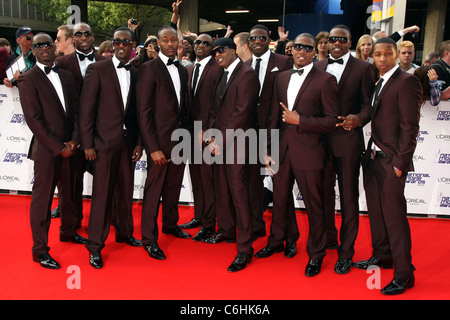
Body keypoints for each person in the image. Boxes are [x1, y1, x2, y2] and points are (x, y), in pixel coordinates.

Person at [264, 33, 339, 277]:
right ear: (291, 49)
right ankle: (279, 241)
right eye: (298, 47)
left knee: (315, 206)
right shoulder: (281, 78)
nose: (302, 51)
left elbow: (330, 121)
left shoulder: (326, 80)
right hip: (282, 150)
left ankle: (316, 254)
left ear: (315, 51)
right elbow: (274, 118)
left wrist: (301, 121)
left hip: (310, 152)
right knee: (280, 199)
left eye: (308, 48)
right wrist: (268, 149)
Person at [353, 37, 422, 295]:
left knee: (394, 219)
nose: (382, 59)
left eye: (387, 54)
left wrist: (400, 163)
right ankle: (382, 256)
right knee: (377, 214)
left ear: (396, 55)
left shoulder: (406, 82)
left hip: (391, 162)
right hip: (372, 159)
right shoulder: (379, 82)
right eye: (378, 54)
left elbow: (410, 128)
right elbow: (372, 113)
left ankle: (405, 274)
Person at [17, 33, 87, 269]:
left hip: (71, 146)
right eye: (38, 45)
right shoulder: (27, 79)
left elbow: (76, 112)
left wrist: (74, 142)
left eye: (48, 44)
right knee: (43, 200)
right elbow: (34, 121)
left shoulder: (66, 76)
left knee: (69, 194)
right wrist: (59, 148)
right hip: (47, 152)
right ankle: (39, 250)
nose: (44, 48)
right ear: (33, 50)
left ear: (54, 47)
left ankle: (68, 232)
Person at [79, 27, 143, 269]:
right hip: (103, 144)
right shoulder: (97, 69)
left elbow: (137, 113)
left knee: (125, 192)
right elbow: (86, 111)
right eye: (117, 41)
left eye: (126, 42)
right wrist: (87, 144)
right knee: (102, 195)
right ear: (112, 44)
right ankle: (95, 245)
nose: (121, 45)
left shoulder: (136, 73)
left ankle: (125, 233)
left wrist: (138, 143)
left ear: (132, 45)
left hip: (127, 144)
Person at [315, 24, 376, 274]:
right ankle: (328, 238)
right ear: (327, 42)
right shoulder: (317, 67)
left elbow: (369, 105)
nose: (337, 43)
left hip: (348, 141)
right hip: (319, 141)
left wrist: (358, 119)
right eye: (333, 39)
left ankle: (346, 251)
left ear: (350, 42)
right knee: (323, 194)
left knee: (348, 197)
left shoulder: (363, 68)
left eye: (342, 40)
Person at [203, 37, 259, 272]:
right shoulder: (223, 75)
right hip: (221, 142)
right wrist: (212, 135)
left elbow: (241, 113)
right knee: (223, 190)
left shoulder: (246, 74)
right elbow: (216, 109)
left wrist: (220, 141)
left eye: (222, 50)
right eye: (214, 52)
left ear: (234, 51)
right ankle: (226, 231)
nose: (217, 55)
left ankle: (245, 249)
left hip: (238, 144)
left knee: (239, 194)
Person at [136, 25, 191, 261]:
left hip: (180, 141)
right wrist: (153, 148)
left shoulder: (182, 70)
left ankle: (170, 224)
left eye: (173, 40)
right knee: (153, 191)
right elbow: (143, 112)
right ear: (157, 43)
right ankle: (149, 238)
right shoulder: (148, 69)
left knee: (172, 187)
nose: (170, 44)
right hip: (158, 143)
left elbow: (185, 107)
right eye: (165, 40)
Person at [244, 24, 297, 259]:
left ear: (269, 40)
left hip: (276, 133)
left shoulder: (284, 62)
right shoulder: (244, 65)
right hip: (247, 135)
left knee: (281, 188)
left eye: (262, 38)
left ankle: (289, 238)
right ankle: (258, 228)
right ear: (249, 41)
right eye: (253, 38)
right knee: (252, 186)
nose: (258, 41)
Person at [55, 22, 107, 228]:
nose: (83, 37)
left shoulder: (106, 62)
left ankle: (105, 219)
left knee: (105, 179)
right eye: (79, 34)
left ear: (93, 37)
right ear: (72, 39)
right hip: (73, 132)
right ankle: (72, 224)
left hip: (102, 131)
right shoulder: (61, 63)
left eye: (87, 33)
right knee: (71, 182)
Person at [180, 33, 222, 241]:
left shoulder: (218, 70)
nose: (201, 45)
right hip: (189, 133)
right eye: (198, 42)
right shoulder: (188, 69)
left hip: (207, 134)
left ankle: (209, 223)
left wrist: (209, 129)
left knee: (207, 180)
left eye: (206, 43)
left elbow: (217, 104)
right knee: (196, 178)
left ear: (212, 48)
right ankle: (199, 216)